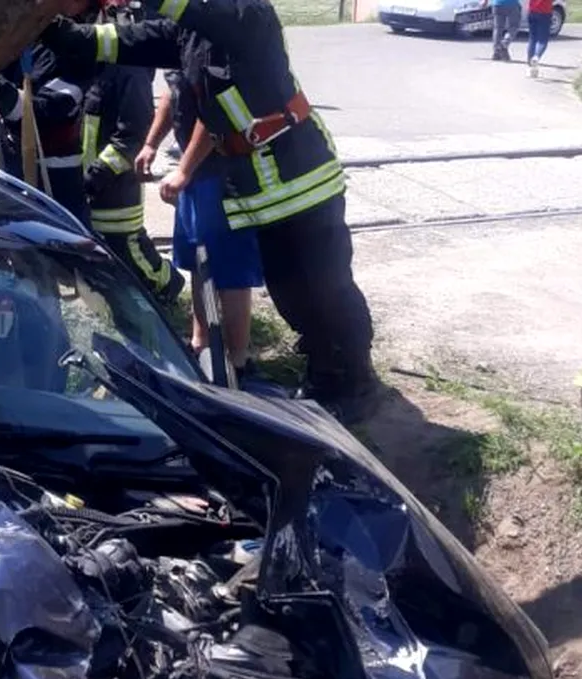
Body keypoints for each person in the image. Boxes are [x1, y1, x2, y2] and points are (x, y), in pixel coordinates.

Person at [40, 0, 381, 422]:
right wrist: (47, 28)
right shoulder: (190, 33)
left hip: (303, 180)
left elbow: (196, 14)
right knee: (291, 290)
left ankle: (355, 380)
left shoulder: (247, 16)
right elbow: (124, 42)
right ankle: (324, 366)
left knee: (326, 288)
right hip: (259, 194)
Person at [140, 68, 264, 386]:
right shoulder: (180, 38)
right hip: (196, 172)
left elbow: (216, 114)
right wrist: (151, 143)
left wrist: (183, 170)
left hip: (226, 173)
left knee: (231, 271)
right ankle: (201, 344)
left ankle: (238, 361)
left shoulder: (213, 41)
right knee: (199, 260)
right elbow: (173, 93)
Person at [0, 0, 100, 229]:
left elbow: (45, 114)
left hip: (53, 164)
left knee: (66, 236)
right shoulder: (28, 34)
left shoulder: (85, 49)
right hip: (9, 139)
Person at [82, 5, 183, 307]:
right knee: (107, 253)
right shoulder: (94, 64)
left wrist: (98, 172)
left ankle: (167, 286)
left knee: (129, 249)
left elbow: (134, 135)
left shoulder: (130, 68)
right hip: (93, 183)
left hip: (115, 186)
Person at [526, 0, 553, 76]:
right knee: (542, 40)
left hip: (532, 11)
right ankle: (536, 56)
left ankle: (530, 67)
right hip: (545, 12)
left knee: (532, 38)